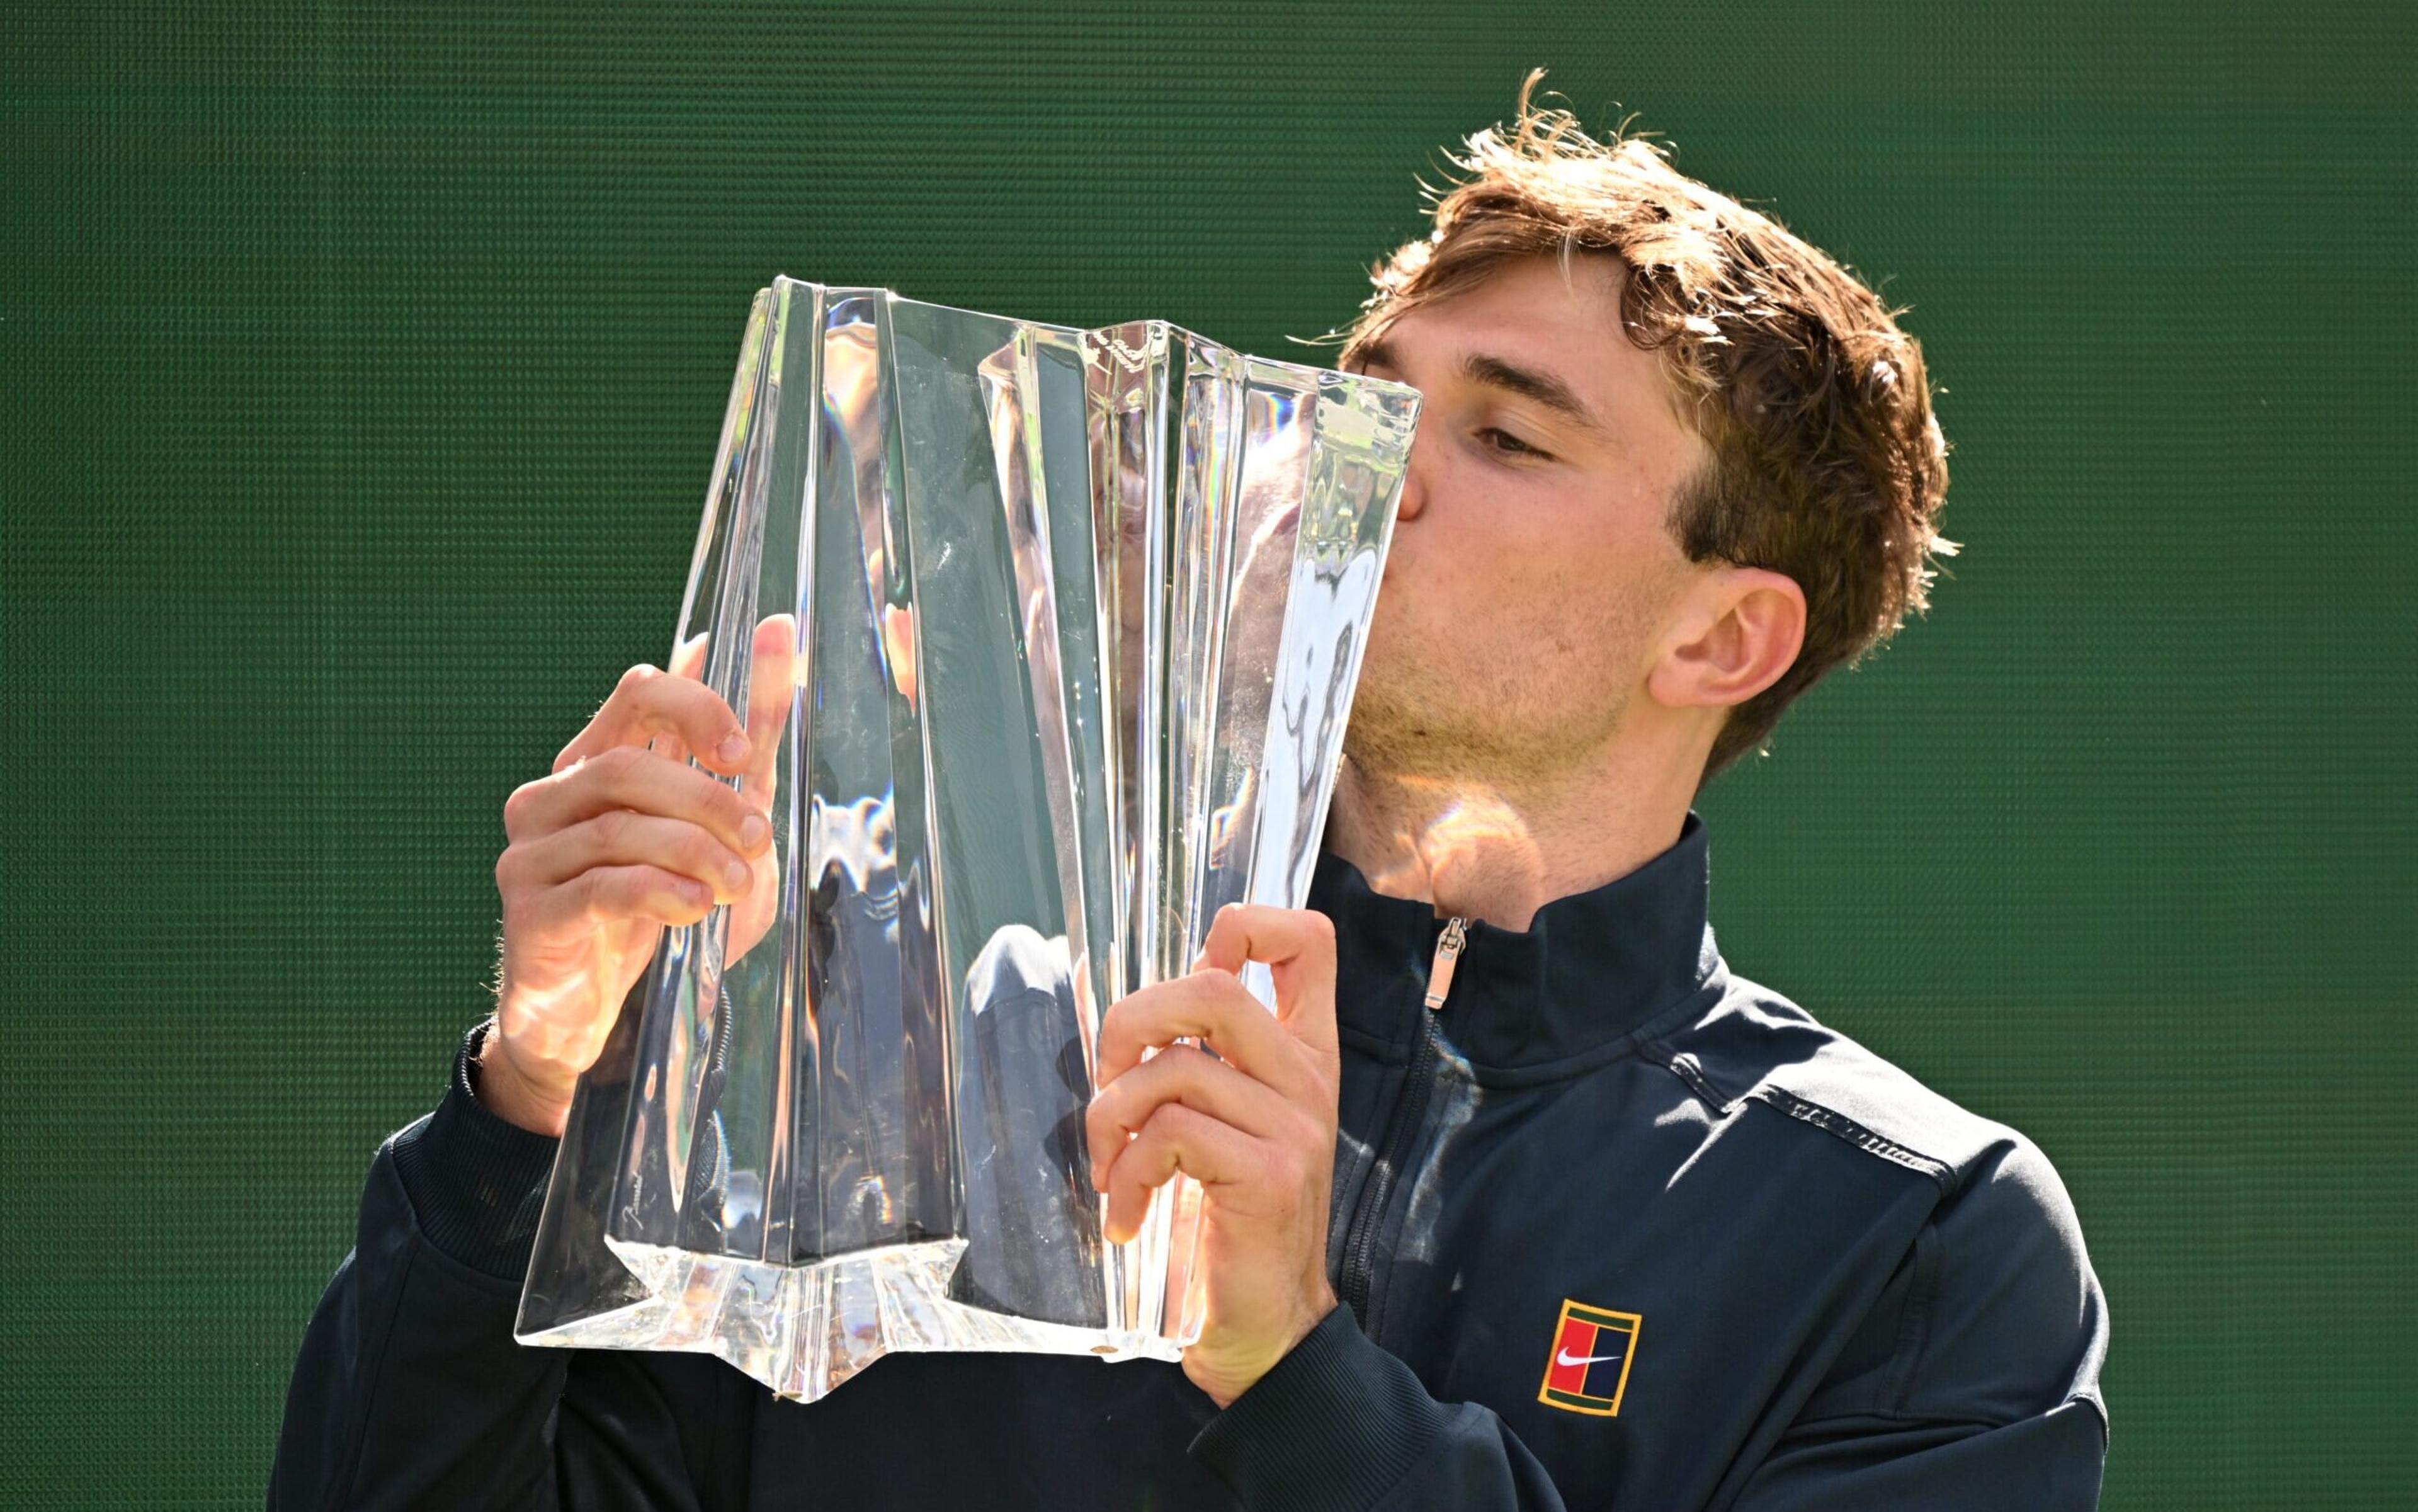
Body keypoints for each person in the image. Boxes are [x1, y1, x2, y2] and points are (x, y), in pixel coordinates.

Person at [271, 77, 2108, 1510]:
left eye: (1507, 435)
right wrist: (528, 1092)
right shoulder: (905, 1041)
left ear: (1725, 638)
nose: (1364, 468)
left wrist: (1292, 1364)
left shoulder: (1920, 1241)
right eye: (1370, 398)